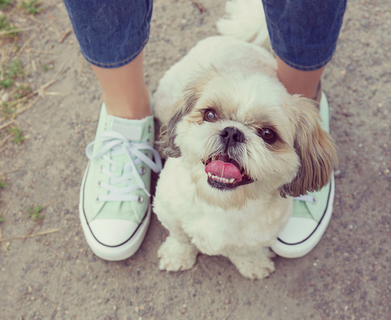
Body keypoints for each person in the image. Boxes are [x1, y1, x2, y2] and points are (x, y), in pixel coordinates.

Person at [62, 0, 346, 261]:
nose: (231, 135)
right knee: (164, 101)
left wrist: (246, 255)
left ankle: (307, 94)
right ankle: (128, 114)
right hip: (200, 75)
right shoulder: (173, 193)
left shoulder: (276, 210)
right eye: (210, 115)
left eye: (267, 134)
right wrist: (181, 244)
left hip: (264, 207)